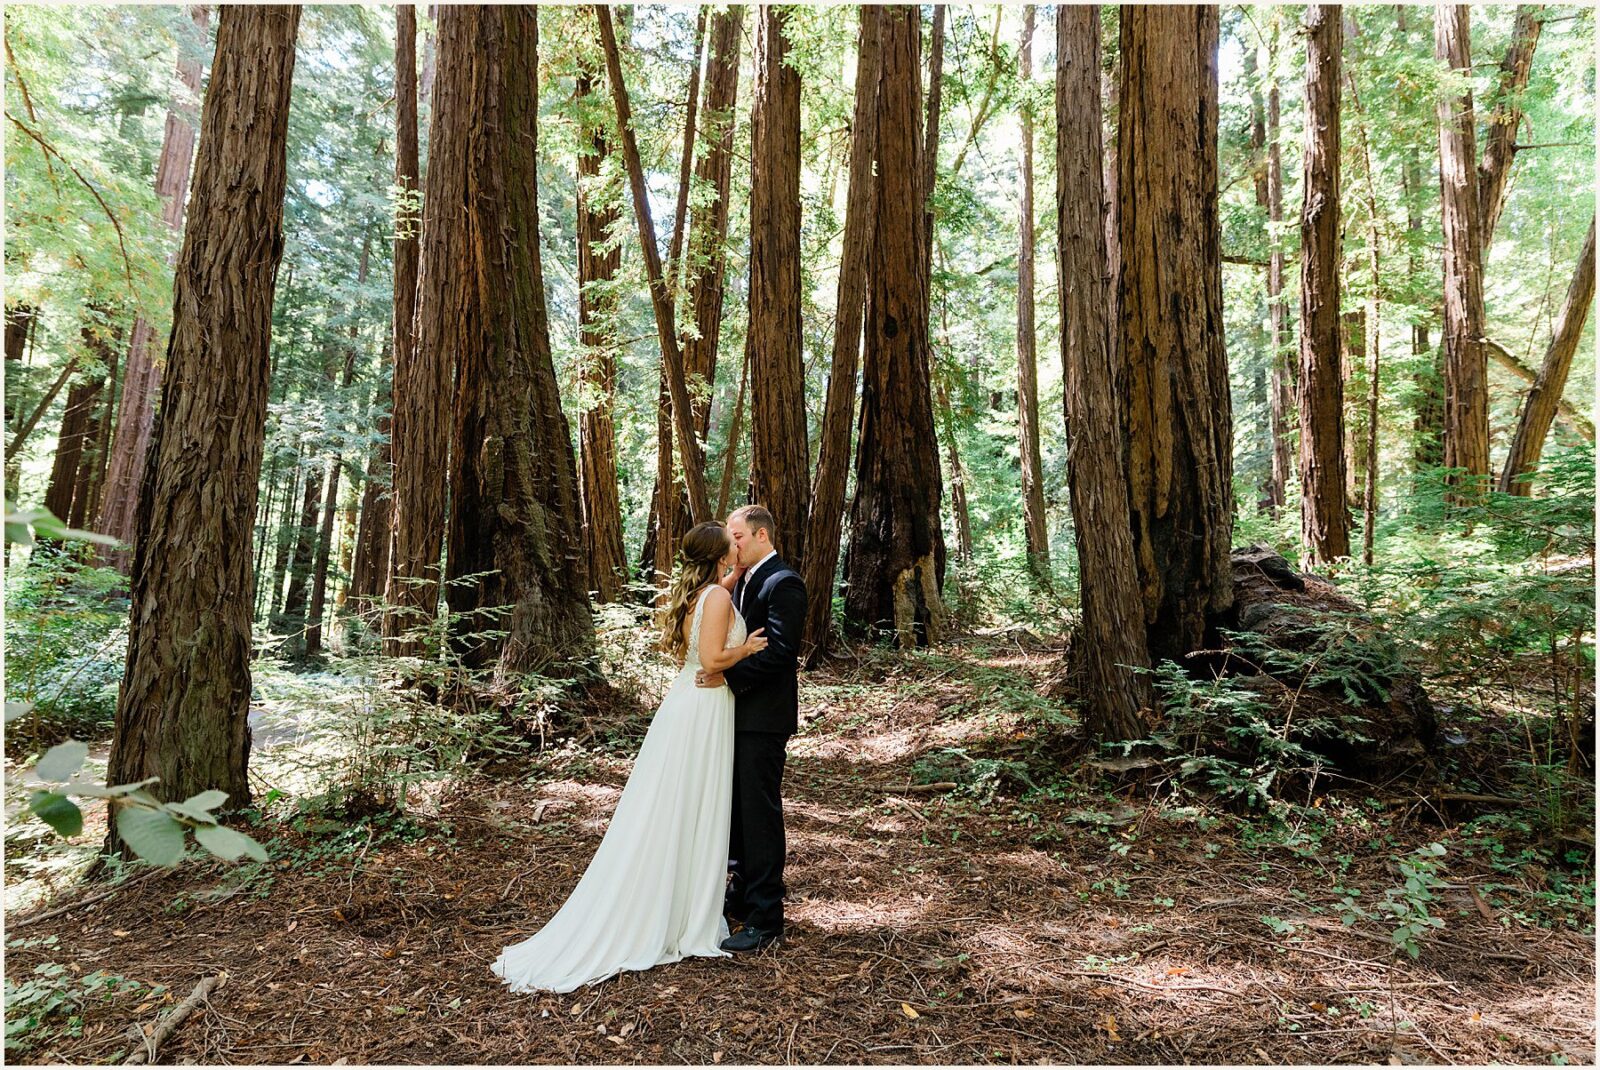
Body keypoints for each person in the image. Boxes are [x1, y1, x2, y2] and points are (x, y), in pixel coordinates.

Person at [491, 522, 767, 993]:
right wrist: (745, 648)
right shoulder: (717, 598)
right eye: (731, 542)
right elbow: (710, 658)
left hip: (692, 704)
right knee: (690, 804)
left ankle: (679, 899)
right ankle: (681, 913)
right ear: (721, 555)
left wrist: (731, 582)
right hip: (702, 707)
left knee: (677, 805)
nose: (736, 544)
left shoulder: (707, 592)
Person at [696, 504, 807, 953]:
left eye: (737, 536)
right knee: (737, 813)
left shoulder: (784, 583)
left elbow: (780, 652)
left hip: (762, 719)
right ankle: (741, 893)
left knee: (760, 817)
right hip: (732, 716)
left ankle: (767, 916)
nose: (731, 544)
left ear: (761, 536)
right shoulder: (736, 582)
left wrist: (728, 675)